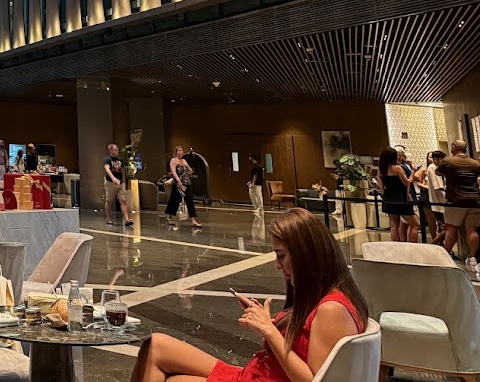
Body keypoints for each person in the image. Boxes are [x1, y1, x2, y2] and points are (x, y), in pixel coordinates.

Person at [129, 207, 369, 382]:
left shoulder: (332, 310)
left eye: (282, 255)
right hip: (259, 373)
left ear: (305, 254)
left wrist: (269, 330)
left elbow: (312, 380)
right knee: (156, 345)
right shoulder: (321, 296)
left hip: (265, 378)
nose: (277, 265)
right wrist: (268, 324)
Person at [438, 139, 480, 269]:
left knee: (452, 228)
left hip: (455, 200)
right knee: (472, 229)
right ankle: (473, 257)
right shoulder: (475, 163)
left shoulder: (447, 161)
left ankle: (446, 254)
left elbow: (438, 172)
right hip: (474, 200)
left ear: (453, 148)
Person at [379, 146, 418, 242]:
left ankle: (396, 246)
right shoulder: (397, 168)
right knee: (415, 225)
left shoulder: (381, 170)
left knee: (394, 225)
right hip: (401, 198)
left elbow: (381, 187)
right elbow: (407, 182)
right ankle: (413, 246)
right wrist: (413, 172)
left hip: (389, 198)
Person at [165, 145, 202, 229]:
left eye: (182, 150)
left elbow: (190, 172)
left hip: (186, 183)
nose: (181, 152)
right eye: (179, 150)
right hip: (178, 183)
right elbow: (173, 172)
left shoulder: (184, 161)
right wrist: (178, 181)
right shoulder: (173, 160)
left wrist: (187, 166)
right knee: (175, 200)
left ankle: (193, 220)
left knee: (189, 201)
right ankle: (169, 217)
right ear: (176, 152)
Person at [104, 143, 133, 227]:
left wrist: (124, 182)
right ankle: (108, 218)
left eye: (117, 149)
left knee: (123, 200)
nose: (117, 151)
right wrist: (113, 178)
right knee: (109, 201)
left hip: (120, 183)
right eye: (115, 150)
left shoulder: (120, 160)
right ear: (111, 150)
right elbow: (107, 168)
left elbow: (122, 171)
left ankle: (127, 219)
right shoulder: (107, 159)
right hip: (110, 183)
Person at [425, 149, 447, 246]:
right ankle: (433, 244)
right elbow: (438, 186)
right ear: (436, 159)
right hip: (439, 202)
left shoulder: (432, 168)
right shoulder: (433, 168)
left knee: (442, 227)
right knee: (445, 227)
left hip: (438, 201)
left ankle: (440, 245)